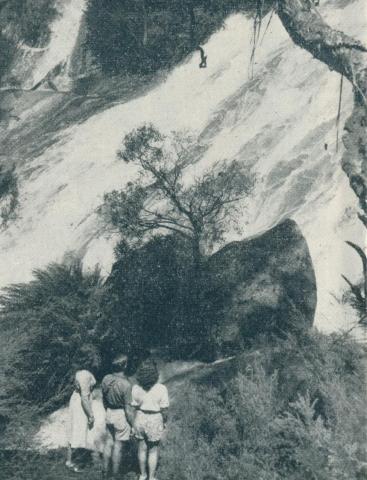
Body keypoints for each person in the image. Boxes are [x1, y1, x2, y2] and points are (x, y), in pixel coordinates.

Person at [131, 359, 169, 480]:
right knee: (153, 450)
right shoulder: (162, 388)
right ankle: (151, 477)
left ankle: (142, 475)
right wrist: (165, 422)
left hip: (140, 417)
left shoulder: (136, 388)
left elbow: (135, 406)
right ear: (155, 373)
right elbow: (164, 409)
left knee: (142, 448)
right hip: (155, 418)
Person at [101, 354, 134, 479]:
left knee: (108, 442)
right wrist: (133, 425)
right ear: (124, 366)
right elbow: (128, 409)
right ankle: (115, 476)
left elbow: (103, 399)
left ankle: (105, 473)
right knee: (118, 446)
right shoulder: (126, 384)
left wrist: (108, 410)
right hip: (120, 415)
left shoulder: (106, 379)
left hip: (109, 412)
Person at [66, 368, 96, 472]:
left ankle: (69, 461)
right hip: (81, 405)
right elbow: (84, 398)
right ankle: (78, 464)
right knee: (79, 433)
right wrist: (91, 415)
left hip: (76, 400)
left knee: (73, 431)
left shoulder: (79, 372)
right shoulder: (84, 374)